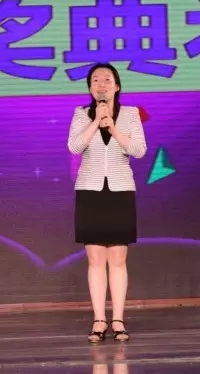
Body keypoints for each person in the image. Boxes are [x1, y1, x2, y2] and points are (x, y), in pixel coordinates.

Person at [67, 63, 147, 343]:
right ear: (90, 88)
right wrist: (95, 122)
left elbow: (138, 150)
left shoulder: (130, 114)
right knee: (95, 259)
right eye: (95, 80)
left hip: (120, 190)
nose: (101, 84)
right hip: (90, 191)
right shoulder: (81, 114)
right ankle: (99, 319)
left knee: (118, 259)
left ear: (117, 85)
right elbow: (74, 147)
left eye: (107, 79)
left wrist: (112, 128)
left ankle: (118, 320)